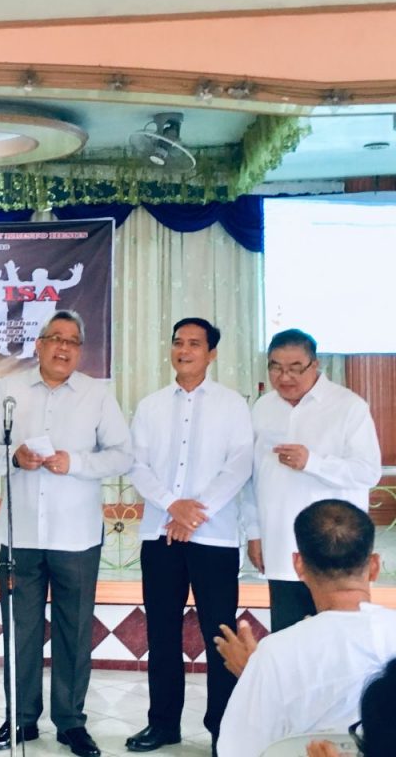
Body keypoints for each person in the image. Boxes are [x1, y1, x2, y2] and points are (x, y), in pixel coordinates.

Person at [0, 310, 133, 757]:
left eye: (73, 341)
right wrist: (13, 457)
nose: (63, 347)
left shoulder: (97, 395)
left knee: (74, 631)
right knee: (20, 631)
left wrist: (76, 463)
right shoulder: (9, 389)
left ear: (80, 351)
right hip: (20, 533)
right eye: (55, 338)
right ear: (39, 345)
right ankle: (20, 719)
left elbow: (123, 455)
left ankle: (70, 723)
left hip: (76, 536)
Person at [124, 318, 253, 755]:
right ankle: (163, 724)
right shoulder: (150, 406)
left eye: (195, 344)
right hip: (160, 535)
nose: (184, 350)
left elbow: (239, 465)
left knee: (221, 636)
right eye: (178, 342)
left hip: (215, 539)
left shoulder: (233, 405)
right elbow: (136, 464)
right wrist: (171, 504)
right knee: (161, 633)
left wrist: (195, 513)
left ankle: (223, 729)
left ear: (211, 353)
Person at [215, 499, 396, 757]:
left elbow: (237, 751)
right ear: (375, 566)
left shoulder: (275, 653)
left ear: (298, 565)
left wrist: (256, 673)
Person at [247, 329, 381, 632]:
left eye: (295, 368)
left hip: (335, 550)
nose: (285, 377)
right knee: (287, 636)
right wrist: (254, 532)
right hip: (280, 544)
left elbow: (368, 471)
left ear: (315, 364)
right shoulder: (263, 408)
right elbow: (252, 477)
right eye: (276, 367)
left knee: (340, 637)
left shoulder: (348, 406)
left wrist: (313, 462)